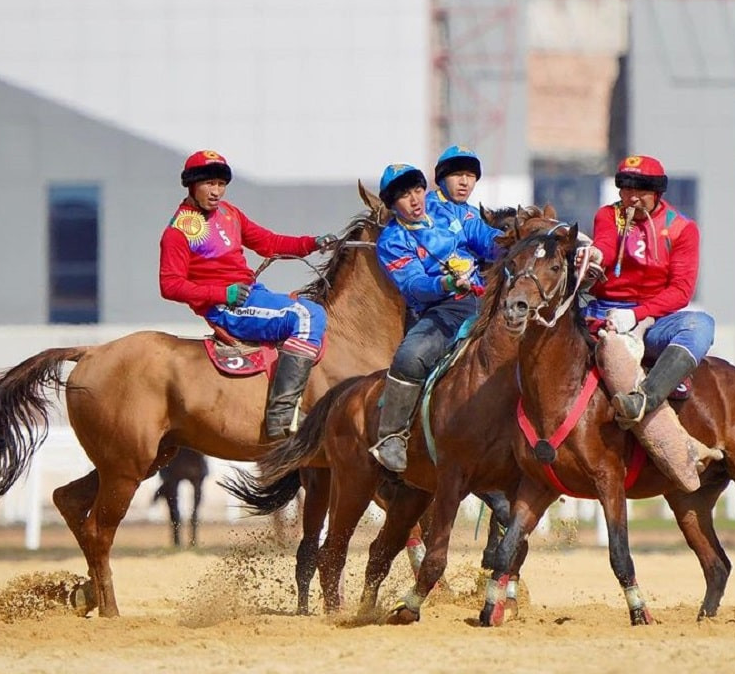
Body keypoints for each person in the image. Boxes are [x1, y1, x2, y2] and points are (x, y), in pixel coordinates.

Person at [159, 150, 336, 439]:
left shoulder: (229, 213)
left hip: (253, 295)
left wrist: (312, 243)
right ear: (191, 185)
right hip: (227, 308)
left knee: (312, 308)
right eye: (208, 184)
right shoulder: (178, 232)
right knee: (308, 315)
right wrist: (222, 293)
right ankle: (281, 415)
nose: (216, 191)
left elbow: (268, 242)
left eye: (220, 184)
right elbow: (169, 285)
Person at [369, 163, 504, 475]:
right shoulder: (391, 241)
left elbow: (485, 237)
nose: (415, 200)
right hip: (443, 308)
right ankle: (392, 436)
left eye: (417, 190)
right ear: (392, 205)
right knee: (410, 356)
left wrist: (521, 239)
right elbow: (413, 285)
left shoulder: (448, 212)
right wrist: (446, 283)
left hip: (489, 300)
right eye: (404, 196)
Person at [583, 154, 715, 434]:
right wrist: (594, 254)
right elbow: (605, 244)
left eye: (640, 189)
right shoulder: (608, 215)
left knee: (701, 325)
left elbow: (681, 291)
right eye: (625, 188)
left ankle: (646, 397)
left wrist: (634, 315)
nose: (631, 197)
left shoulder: (681, 229)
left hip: (651, 321)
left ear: (657, 192)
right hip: (600, 313)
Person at [429, 144, 482, 209]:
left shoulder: (477, 215)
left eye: (470, 176)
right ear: (442, 180)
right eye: (457, 174)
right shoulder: (422, 211)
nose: (464, 182)